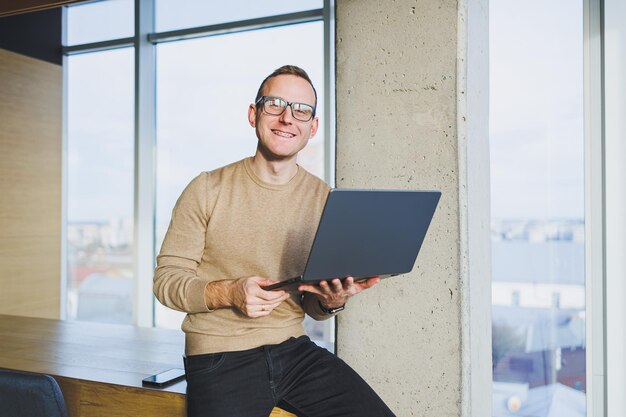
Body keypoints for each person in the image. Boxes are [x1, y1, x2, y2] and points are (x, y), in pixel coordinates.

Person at [154, 65, 396, 417]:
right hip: (219, 356)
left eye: (301, 110)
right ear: (254, 114)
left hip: (294, 350)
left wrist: (332, 301)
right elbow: (166, 282)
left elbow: (312, 303)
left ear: (312, 128)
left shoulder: (324, 199)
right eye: (275, 105)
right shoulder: (207, 188)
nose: (287, 118)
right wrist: (230, 291)